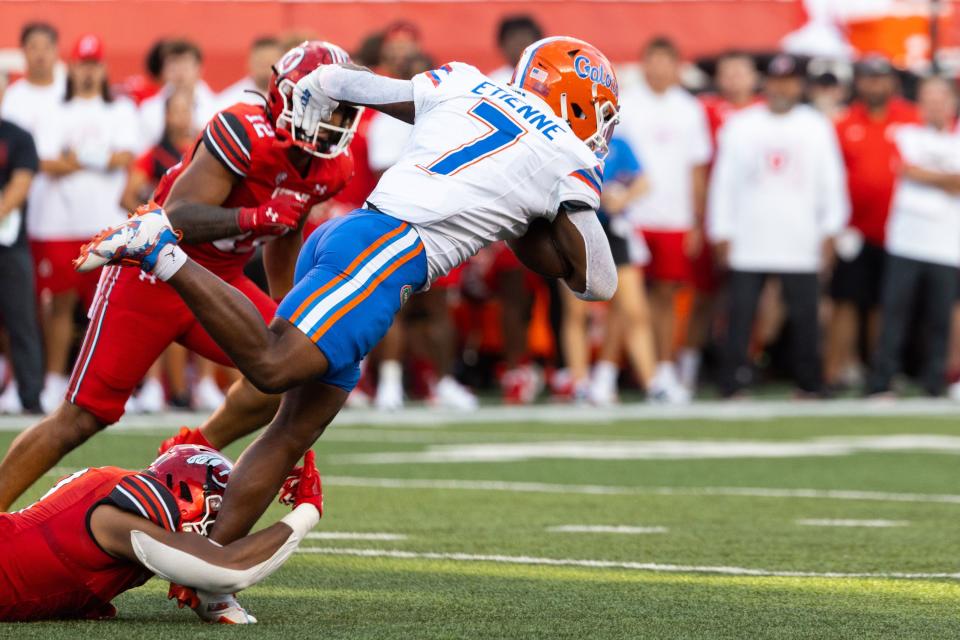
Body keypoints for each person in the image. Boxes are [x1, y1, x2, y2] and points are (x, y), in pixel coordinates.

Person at [76, 35, 618, 596]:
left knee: (293, 427)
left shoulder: (466, 82)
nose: (602, 130)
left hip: (351, 234)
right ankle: (161, 248)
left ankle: (206, 577)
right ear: (576, 98)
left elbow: (337, 81)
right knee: (272, 366)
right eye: (602, 114)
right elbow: (598, 282)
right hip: (389, 254)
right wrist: (543, 215)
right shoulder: (565, 154)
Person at [0, 41, 356, 512]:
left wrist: (289, 312)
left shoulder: (334, 165)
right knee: (82, 417)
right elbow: (177, 216)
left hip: (222, 280)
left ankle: (194, 445)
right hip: (154, 273)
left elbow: (284, 233)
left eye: (344, 108)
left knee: (295, 367)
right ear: (288, 97)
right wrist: (253, 217)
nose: (335, 118)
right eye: (326, 106)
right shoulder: (242, 129)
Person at [0, 444, 323, 623]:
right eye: (216, 510)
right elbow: (227, 570)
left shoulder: (121, 506)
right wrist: (308, 510)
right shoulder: (121, 518)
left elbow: (217, 599)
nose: (220, 525)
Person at [708, 54, 848, 397]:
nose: (781, 87)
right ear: (765, 83)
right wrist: (721, 230)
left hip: (800, 236)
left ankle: (809, 382)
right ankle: (732, 380)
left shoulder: (815, 125)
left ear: (798, 85)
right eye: (775, 80)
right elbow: (724, 182)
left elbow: (832, 181)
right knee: (740, 315)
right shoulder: (742, 125)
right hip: (749, 235)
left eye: (788, 81)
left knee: (805, 317)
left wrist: (831, 228)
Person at [30, 34, 139, 412]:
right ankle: (54, 379)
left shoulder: (120, 110)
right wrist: (98, 158)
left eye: (94, 65)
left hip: (105, 225)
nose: (88, 72)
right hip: (59, 223)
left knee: (108, 307)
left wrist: (75, 157)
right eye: (82, 64)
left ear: (103, 69)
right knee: (59, 305)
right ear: (73, 67)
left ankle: (104, 382)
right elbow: (45, 161)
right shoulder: (55, 111)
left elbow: (126, 155)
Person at [618, 36, 711, 402]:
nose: (658, 68)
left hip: (674, 217)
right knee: (627, 301)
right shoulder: (627, 104)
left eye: (665, 61)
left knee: (667, 297)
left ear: (677, 66)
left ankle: (664, 367)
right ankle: (626, 370)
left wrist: (697, 221)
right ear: (643, 64)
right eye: (652, 60)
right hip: (632, 216)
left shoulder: (689, 109)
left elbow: (697, 170)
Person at [826, 56, 919, 390]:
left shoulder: (911, 119)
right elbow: (829, 176)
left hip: (901, 229)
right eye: (868, 78)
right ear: (859, 82)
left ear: (892, 82)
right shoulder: (844, 122)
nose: (874, 84)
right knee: (846, 301)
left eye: (880, 78)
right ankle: (836, 370)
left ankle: (879, 371)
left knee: (885, 304)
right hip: (854, 228)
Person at [866, 77, 960, 398]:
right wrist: (945, 178)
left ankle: (934, 381)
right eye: (928, 99)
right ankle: (883, 380)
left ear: (952, 103)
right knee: (894, 314)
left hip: (947, 244)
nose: (935, 106)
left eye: (940, 98)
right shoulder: (907, 134)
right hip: (906, 241)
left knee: (939, 318)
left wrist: (927, 174)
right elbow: (905, 169)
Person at [680, 50, 760, 393]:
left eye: (740, 71)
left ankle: (745, 360)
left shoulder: (765, 113)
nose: (734, 80)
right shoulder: (705, 110)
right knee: (704, 297)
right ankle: (687, 366)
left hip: (757, 218)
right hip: (714, 213)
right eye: (727, 73)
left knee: (756, 298)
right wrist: (699, 218)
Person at [561, 135, 656, 404]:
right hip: (573, 226)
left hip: (612, 229)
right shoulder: (559, 139)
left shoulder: (617, 143)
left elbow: (643, 182)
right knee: (577, 311)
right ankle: (579, 383)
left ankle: (652, 383)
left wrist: (622, 197)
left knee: (634, 309)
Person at [0, 71, 44, 415]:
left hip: (9, 242)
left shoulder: (18, 137)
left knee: (21, 320)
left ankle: (31, 396)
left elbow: (21, 183)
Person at [138, 39, 218, 151]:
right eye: (174, 68)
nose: (180, 75)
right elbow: (141, 153)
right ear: (163, 70)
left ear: (199, 69)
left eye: (185, 67)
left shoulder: (218, 110)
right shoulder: (148, 110)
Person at [218, 37, 284, 109]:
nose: (266, 69)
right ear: (249, 63)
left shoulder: (292, 97)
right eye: (261, 62)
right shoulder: (230, 102)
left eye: (270, 63)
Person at [488, 15, 544, 84]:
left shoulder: (549, 79)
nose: (520, 45)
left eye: (525, 38)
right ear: (502, 45)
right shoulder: (493, 81)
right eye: (514, 39)